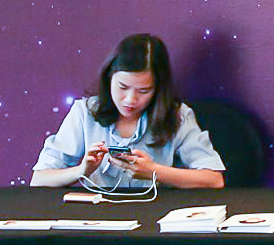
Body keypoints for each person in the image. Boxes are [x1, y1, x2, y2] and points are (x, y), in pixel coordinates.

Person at [29, 33, 226, 189]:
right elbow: (39, 179)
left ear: (158, 89)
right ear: (109, 78)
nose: (130, 100)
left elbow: (214, 180)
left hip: (155, 215)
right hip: (97, 218)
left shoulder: (177, 115)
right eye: (122, 87)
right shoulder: (85, 112)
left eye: (144, 90)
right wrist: (82, 170)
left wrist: (154, 171)